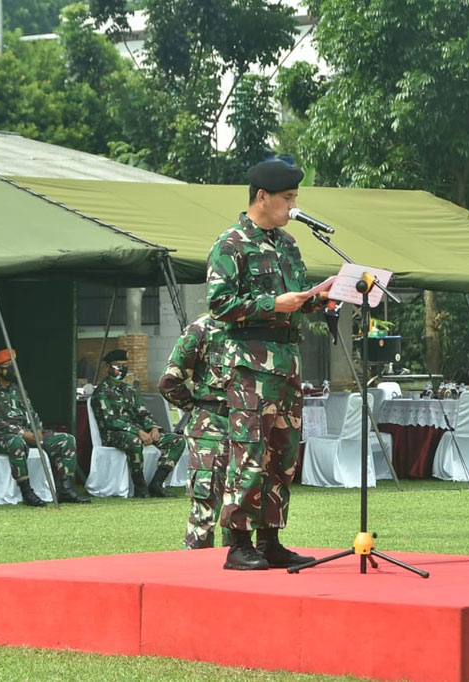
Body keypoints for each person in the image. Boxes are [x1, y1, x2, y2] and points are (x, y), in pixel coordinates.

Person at [206, 159, 327, 570]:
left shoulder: (287, 244)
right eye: (287, 198)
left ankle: (270, 539)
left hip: (287, 363)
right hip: (250, 366)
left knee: (283, 454)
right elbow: (219, 304)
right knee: (250, 453)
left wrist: (318, 299)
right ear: (263, 196)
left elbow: (296, 298)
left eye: (295, 198)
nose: (293, 206)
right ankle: (239, 544)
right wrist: (272, 304)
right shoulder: (232, 243)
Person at [0, 348, 89, 506]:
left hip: (28, 433)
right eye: (7, 366)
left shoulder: (18, 389)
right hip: (0, 437)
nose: (12, 369)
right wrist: (22, 433)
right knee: (16, 442)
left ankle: (66, 489)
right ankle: (26, 491)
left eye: (13, 365)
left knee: (66, 440)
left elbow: (32, 413)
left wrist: (38, 430)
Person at [159, 313, 230, 549]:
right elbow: (169, 382)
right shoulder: (203, 328)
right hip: (211, 427)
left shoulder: (256, 325)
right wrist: (196, 408)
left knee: (241, 508)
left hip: (249, 428)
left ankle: (238, 561)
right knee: (205, 508)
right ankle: (195, 565)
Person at [90, 348, 184, 498]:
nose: (121, 368)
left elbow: (143, 412)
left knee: (177, 440)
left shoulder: (129, 390)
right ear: (107, 367)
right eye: (117, 365)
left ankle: (157, 483)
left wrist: (153, 428)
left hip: (139, 432)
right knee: (134, 441)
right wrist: (138, 432)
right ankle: (140, 486)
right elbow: (112, 421)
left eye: (124, 365)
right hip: (113, 434)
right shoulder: (101, 392)